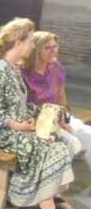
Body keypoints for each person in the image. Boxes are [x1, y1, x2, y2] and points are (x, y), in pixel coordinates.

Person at [0, 19, 79, 209]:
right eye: (31, 41)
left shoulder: (13, 68)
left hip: (14, 128)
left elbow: (21, 104)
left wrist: (38, 119)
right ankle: (46, 206)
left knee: (59, 141)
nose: (33, 46)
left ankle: (52, 196)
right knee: (49, 146)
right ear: (18, 43)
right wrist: (22, 126)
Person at [24, 31, 91, 172]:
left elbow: (61, 98)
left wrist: (65, 119)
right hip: (36, 121)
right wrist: (55, 123)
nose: (53, 50)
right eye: (47, 48)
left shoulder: (55, 67)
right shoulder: (25, 72)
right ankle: (51, 188)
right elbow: (25, 108)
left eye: (55, 46)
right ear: (36, 50)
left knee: (89, 135)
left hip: (58, 116)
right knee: (71, 143)